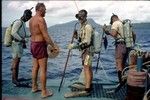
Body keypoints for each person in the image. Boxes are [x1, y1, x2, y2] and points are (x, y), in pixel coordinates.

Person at [29, 3, 58, 98]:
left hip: (33, 44)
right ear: (40, 10)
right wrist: (53, 46)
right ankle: (44, 92)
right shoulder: (41, 19)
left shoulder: (31, 19)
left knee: (35, 67)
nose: (46, 11)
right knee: (43, 69)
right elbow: (45, 35)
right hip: (40, 45)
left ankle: (34, 87)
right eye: (45, 10)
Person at [103, 14, 136, 84]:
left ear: (112, 19)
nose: (112, 24)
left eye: (111, 22)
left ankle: (121, 82)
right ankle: (124, 81)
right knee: (123, 64)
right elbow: (134, 35)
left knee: (118, 64)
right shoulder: (124, 24)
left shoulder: (115, 23)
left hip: (120, 45)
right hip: (127, 46)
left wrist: (105, 30)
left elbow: (113, 33)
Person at [68, 9, 94, 95]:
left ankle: (87, 89)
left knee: (87, 68)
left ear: (85, 17)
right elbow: (81, 40)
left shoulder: (87, 27)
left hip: (88, 52)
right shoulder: (82, 27)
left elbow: (87, 42)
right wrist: (76, 36)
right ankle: (89, 84)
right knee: (88, 68)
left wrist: (74, 46)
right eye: (79, 16)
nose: (80, 18)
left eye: (82, 16)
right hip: (85, 52)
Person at [11, 9, 32, 86]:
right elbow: (13, 33)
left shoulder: (23, 23)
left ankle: (16, 78)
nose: (28, 19)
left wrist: (29, 35)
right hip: (16, 44)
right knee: (15, 62)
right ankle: (14, 80)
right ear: (25, 15)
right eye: (28, 17)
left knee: (18, 61)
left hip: (19, 44)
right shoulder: (18, 22)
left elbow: (22, 34)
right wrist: (21, 40)